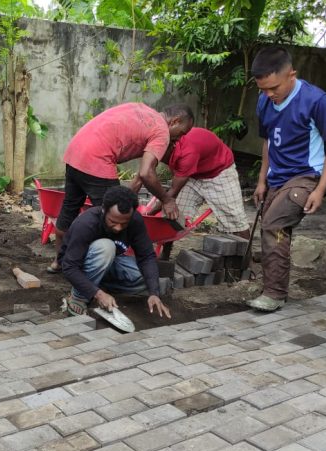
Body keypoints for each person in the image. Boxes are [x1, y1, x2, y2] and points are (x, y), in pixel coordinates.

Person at [247, 46, 326, 312]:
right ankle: (274, 288)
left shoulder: (316, 101)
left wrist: (321, 189)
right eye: (263, 89)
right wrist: (262, 180)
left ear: (292, 75)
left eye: (273, 88)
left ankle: (274, 294)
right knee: (272, 228)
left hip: (305, 176)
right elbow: (268, 142)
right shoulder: (264, 100)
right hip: (276, 178)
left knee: (274, 225)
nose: (268, 95)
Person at [48, 102, 194, 273]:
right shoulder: (162, 131)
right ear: (175, 121)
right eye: (182, 133)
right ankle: (95, 270)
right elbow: (147, 172)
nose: (179, 139)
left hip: (75, 152)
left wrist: (128, 193)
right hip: (98, 159)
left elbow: (143, 173)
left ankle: (59, 262)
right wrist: (167, 199)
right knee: (112, 221)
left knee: (69, 209)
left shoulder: (143, 110)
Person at [59, 185, 170, 319]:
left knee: (147, 279)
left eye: (124, 224)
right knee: (106, 247)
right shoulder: (87, 223)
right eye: (113, 222)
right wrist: (99, 295)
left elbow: (146, 257)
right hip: (79, 265)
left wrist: (154, 293)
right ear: (104, 210)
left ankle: (97, 285)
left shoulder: (135, 220)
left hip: (110, 262)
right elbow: (69, 267)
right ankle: (78, 296)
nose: (118, 228)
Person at [144, 127, 251, 239]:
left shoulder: (187, 152)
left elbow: (172, 194)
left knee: (235, 220)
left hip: (220, 173)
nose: (159, 159)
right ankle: (165, 255)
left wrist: (149, 215)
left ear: (171, 146)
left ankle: (246, 256)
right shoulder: (164, 143)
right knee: (173, 215)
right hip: (193, 174)